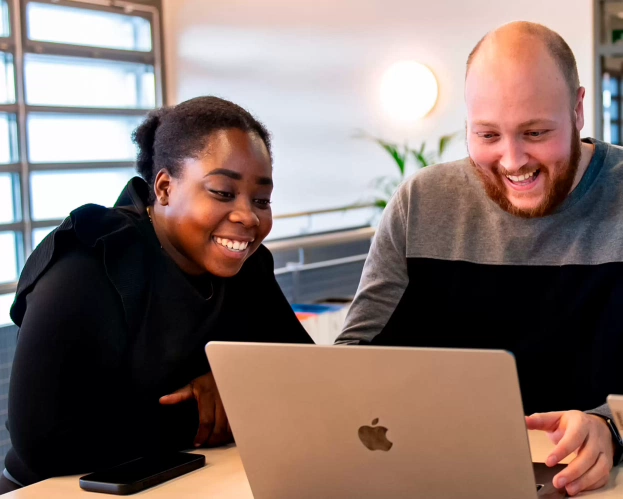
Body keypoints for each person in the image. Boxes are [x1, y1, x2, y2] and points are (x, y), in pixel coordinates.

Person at [336, 22, 623, 496]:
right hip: (441, 476)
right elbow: (351, 362)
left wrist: (609, 426)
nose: (512, 161)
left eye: (535, 132)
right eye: (487, 135)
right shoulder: (421, 203)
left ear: (577, 109)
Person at [2, 96, 312, 492]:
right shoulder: (92, 261)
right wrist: (218, 406)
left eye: (261, 200)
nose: (248, 216)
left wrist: (232, 381)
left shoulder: (249, 268)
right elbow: (43, 442)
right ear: (164, 187)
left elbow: (306, 374)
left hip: (179, 480)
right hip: (56, 490)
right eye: (222, 191)